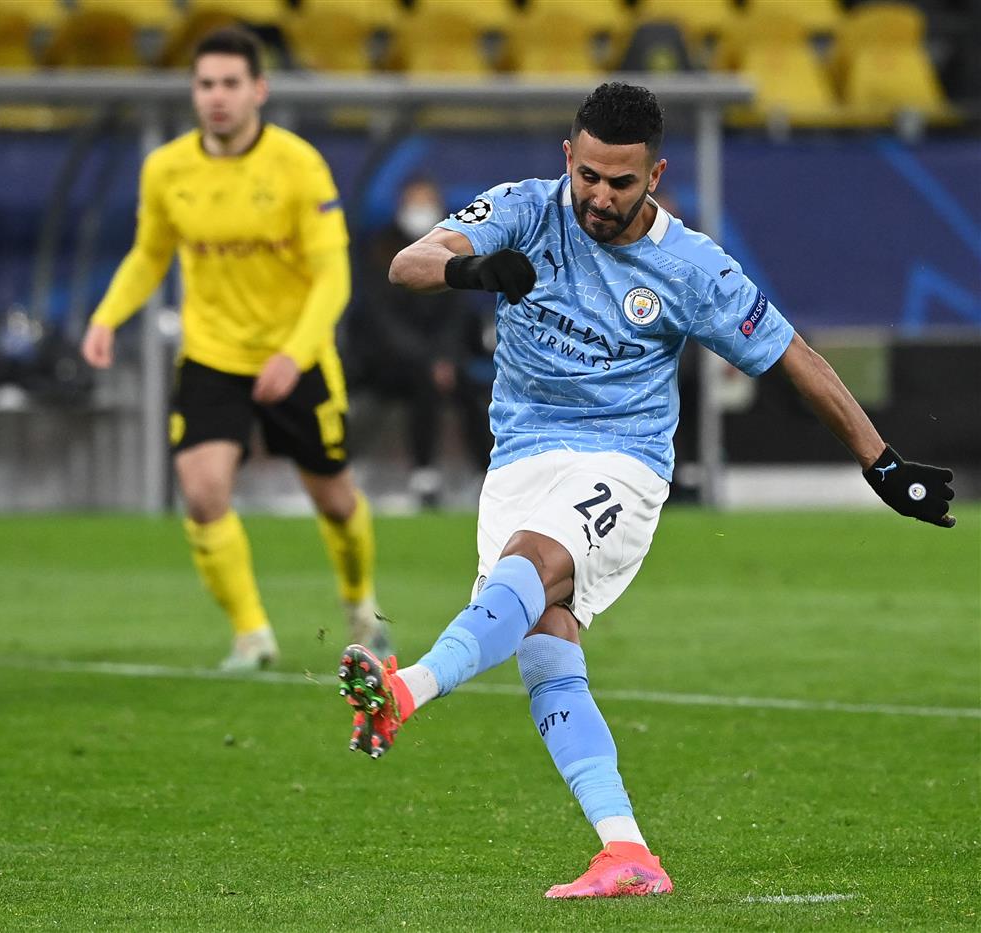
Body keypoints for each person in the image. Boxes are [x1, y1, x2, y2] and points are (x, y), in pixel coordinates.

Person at [337, 82, 955, 898]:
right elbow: (406, 263)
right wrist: (476, 267)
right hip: (519, 460)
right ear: (569, 156)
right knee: (547, 649)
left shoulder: (691, 266)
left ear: (655, 175)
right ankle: (626, 851)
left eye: (620, 182)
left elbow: (794, 356)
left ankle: (403, 690)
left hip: (620, 464)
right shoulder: (526, 207)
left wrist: (883, 463)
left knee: (536, 561)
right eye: (588, 174)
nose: (599, 195)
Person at [81, 28, 387, 670]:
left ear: (258, 91)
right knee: (202, 492)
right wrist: (107, 317)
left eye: (230, 84)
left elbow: (334, 275)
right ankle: (252, 635)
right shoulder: (166, 169)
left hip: (294, 355)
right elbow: (149, 254)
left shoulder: (298, 165)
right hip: (212, 355)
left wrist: (295, 352)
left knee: (334, 499)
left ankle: (360, 603)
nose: (216, 97)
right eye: (205, 84)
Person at [349, 176, 495, 509]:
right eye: (414, 201)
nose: (420, 209)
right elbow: (382, 319)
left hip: (443, 361)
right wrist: (428, 360)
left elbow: (457, 313)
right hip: (389, 362)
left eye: (426, 200)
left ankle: (486, 473)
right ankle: (424, 473)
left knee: (467, 388)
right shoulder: (381, 248)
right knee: (424, 382)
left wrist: (444, 357)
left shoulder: (452, 247)